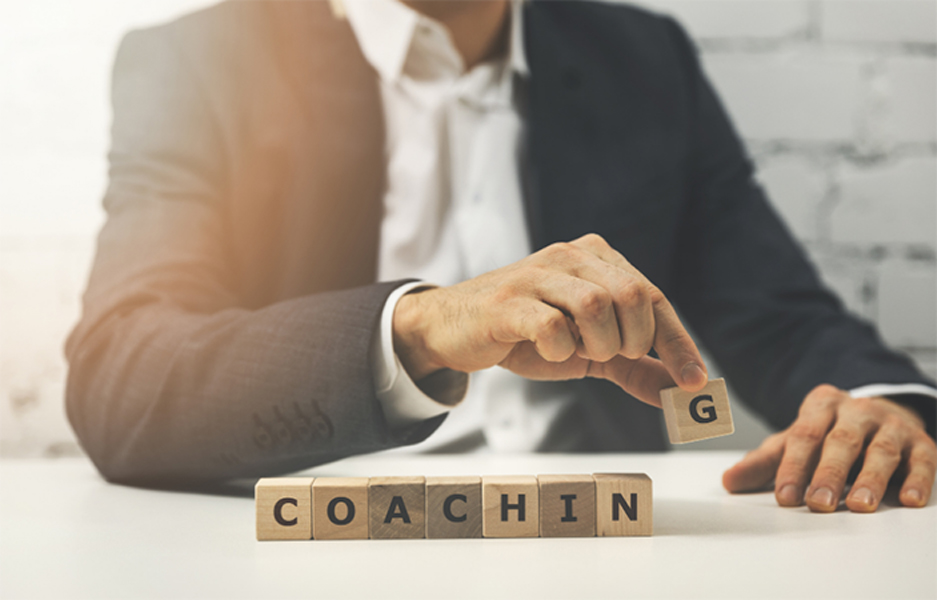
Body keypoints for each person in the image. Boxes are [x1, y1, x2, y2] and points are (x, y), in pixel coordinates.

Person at [66, 0, 936, 514]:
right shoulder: (197, 59)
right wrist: (419, 327)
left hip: (608, 549)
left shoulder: (642, 57)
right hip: (316, 539)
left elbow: (780, 316)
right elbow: (123, 378)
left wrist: (884, 407)